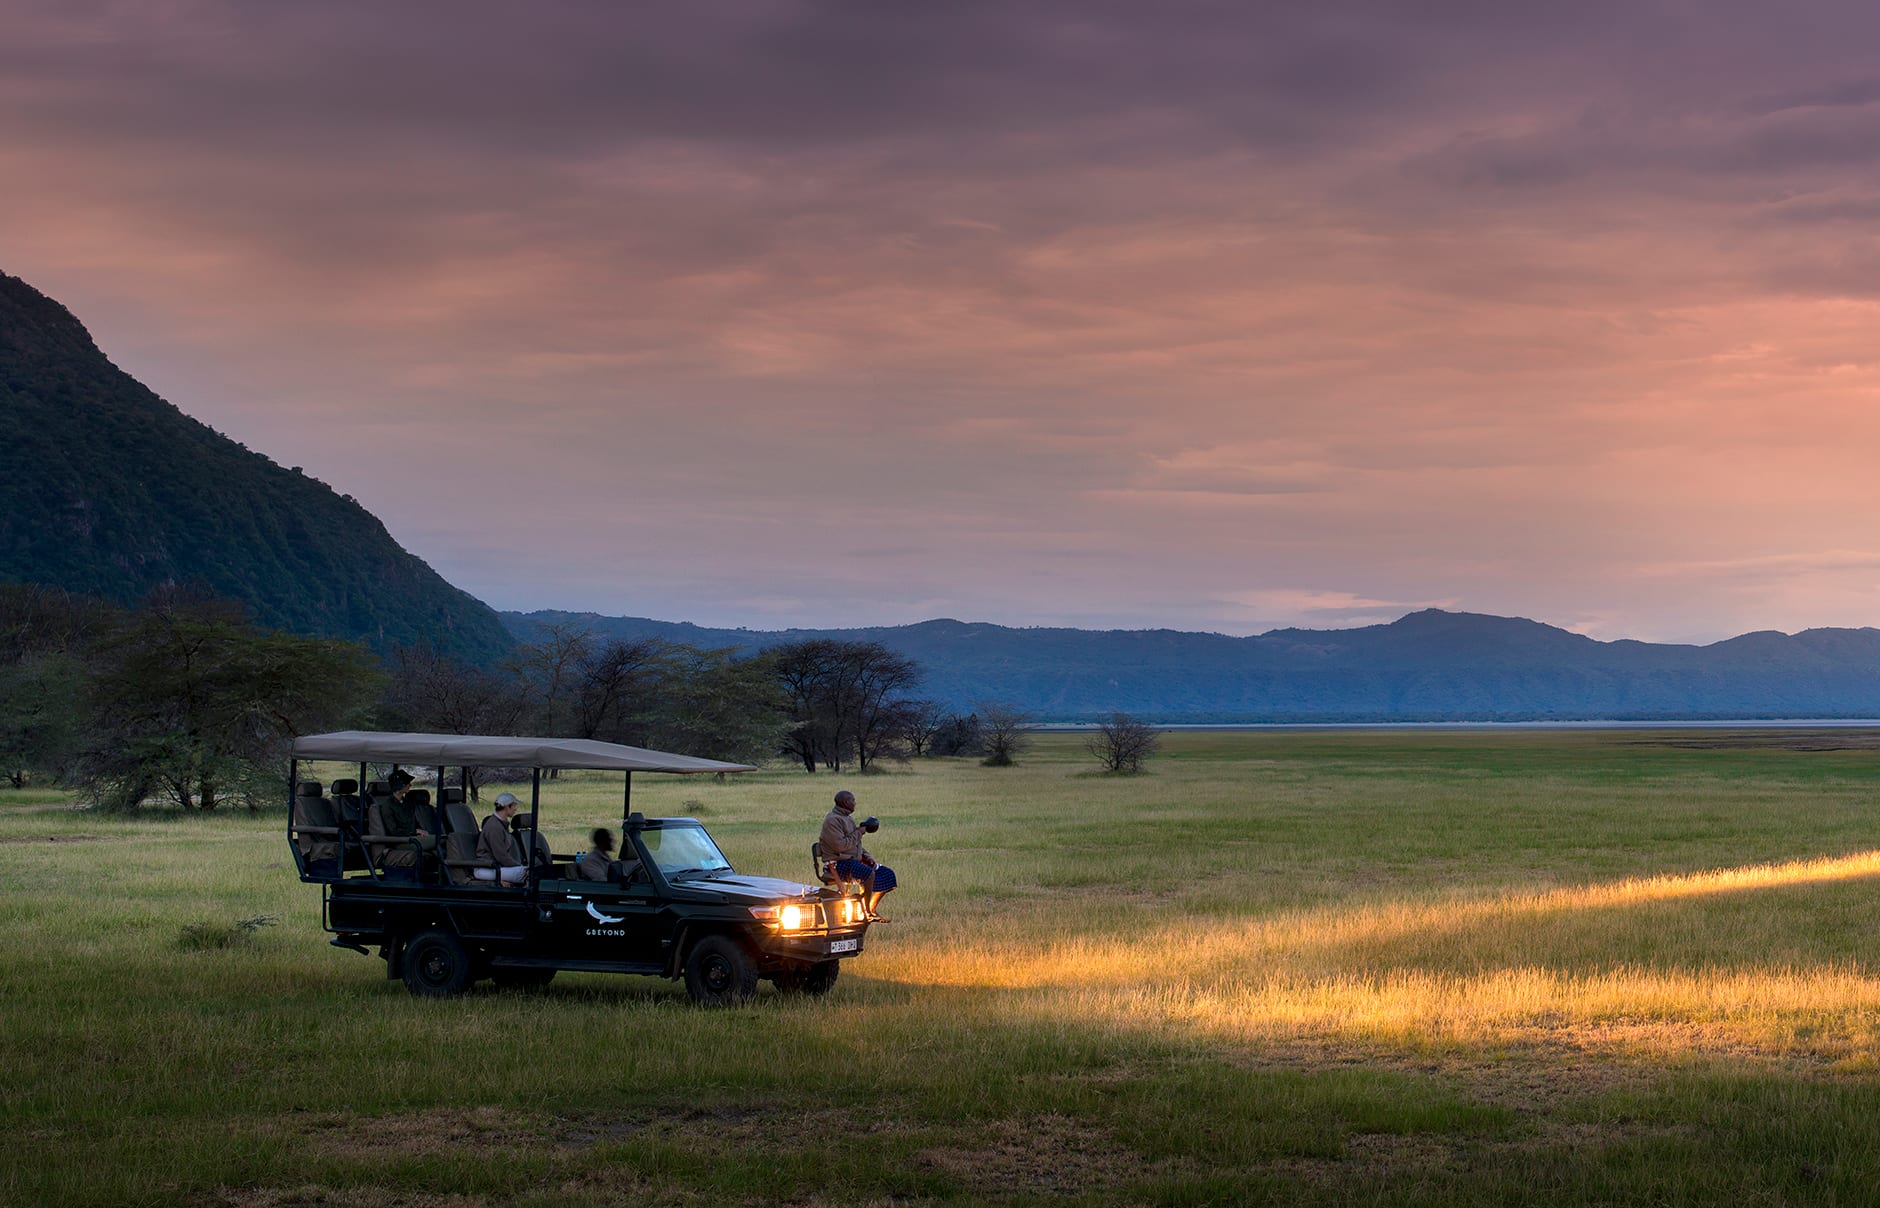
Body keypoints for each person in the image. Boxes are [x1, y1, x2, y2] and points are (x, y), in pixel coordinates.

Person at [819, 789, 896, 920]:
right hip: (838, 864)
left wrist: (866, 855)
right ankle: (865, 912)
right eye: (852, 800)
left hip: (852, 861)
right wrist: (859, 832)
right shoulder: (832, 820)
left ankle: (871, 908)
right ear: (845, 802)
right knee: (867, 873)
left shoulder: (847, 818)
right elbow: (840, 846)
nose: (855, 803)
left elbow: (855, 843)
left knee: (887, 874)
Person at [475, 792, 528, 885]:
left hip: (494, 867)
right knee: (527, 873)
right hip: (486, 868)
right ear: (507, 806)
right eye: (514, 805)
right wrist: (519, 866)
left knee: (528, 871)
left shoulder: (500, 824)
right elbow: (501, 856)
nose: (516, 809)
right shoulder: (494, 827)